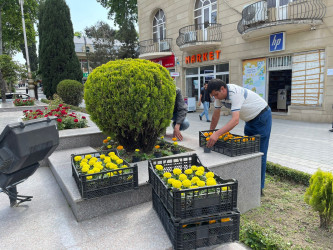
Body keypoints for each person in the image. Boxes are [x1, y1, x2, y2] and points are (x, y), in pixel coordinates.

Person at [206, 79, 272, 195]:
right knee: (249, 151)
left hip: (262, 118)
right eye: (213, 96)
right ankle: (251, 180)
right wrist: (210, 133)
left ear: (223, 89)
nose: (215, 98)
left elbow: (235, 120)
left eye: (216, 94)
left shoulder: (235, 93)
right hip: (249, 120)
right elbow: (216, 116)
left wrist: (217, 134)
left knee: (259, 153)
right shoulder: (219, 97)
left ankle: (258, 188)